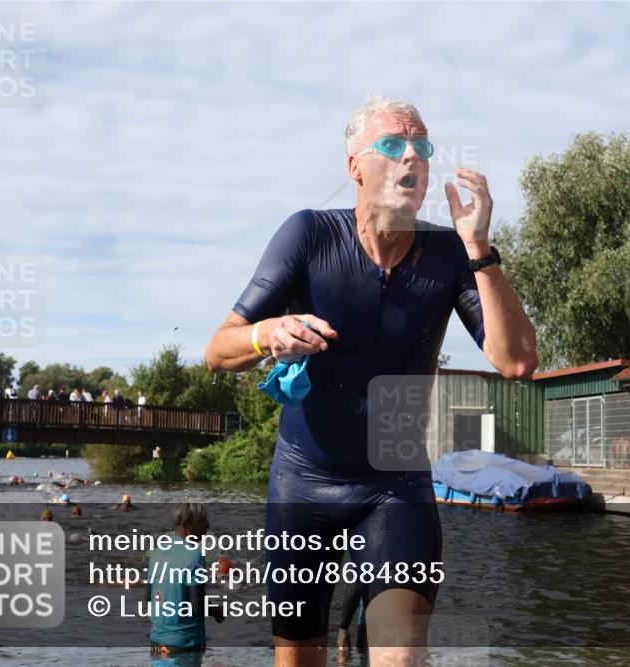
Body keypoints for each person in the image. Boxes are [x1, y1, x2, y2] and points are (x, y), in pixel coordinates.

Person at [203, 96, 538, 666]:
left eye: (422, 147)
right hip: (303, 485)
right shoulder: (309, 234)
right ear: (356, 166)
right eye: (392, 145)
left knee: (399, 657)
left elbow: (518, 362)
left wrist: (481, 250)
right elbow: (218, 348)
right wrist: (270, 333)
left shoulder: (450, 253)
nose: (412, 155)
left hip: (395, 486)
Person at [146, 503, 224, 659]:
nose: (208, 524)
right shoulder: (194, 556)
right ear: (186, 525)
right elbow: (197, 606)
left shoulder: (157, 552)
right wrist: (216, 611)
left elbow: (149, 599)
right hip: (185, 644)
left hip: (157, 642)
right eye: (202, 520)